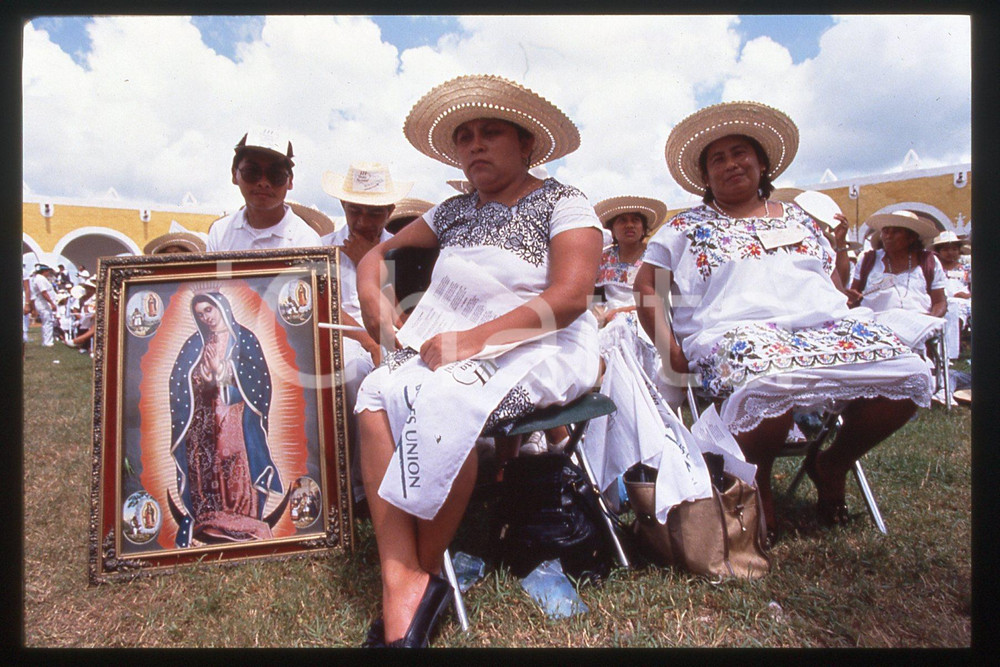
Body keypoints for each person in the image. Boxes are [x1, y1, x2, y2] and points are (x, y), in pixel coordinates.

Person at [354, 74, 602, 647]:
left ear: (528, 145)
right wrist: (374, 298)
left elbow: (568, 300)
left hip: (543, 345)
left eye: (490, 132)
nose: (474, 145)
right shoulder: (453, 210)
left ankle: (423, 567)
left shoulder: (565, 202)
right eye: (465, 137)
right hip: (454, 342)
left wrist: (474, 341)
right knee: (376, 392)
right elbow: (376, 256)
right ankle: (404, 579)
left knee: (449, 399)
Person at [634, 101, 932, 541]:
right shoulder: (685, 226)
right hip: (733, 332)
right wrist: (670, 351)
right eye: (717, 159)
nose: (731, 164)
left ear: (761, 163)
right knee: (765, 379)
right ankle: (760, 485)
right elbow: (647, 287)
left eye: (740, 152)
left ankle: (833, 462)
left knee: (911, 373)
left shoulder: (797, 218)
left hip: (822, 326)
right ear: (704, 176)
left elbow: (828, 277)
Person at [319, 162, 414, 506]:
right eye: (354, 211)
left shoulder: (401, 251)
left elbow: (401, 311)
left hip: (391, 337)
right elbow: (324, 305)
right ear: (343, 207)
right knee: (352, 371)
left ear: (389, 211)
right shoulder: (323, 250)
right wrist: (365, 338)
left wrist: (366, 264)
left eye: (373, 213)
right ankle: (357, 485)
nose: (362, 222)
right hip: (341, 336)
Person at [168, 292, 282, 547]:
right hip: (204, 419)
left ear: (222, 306)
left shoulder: (245, 339)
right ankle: (211, 519)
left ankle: (243, 519)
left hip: (235, 415)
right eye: (200, 314)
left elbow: (258, 382)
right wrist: (203, 380)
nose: (206, 317)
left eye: (209, 310)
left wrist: (224, 377)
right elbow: (179, 383)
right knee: (208, 466)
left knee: (234, 460)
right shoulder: (194, 344)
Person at [205, 128, 321, 251]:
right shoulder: (220, 233)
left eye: (276, 175)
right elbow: (221, 270)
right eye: (252, 172)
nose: (263, 183)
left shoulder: (307, 242)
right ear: (234, 175)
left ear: (290, 181)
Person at [929, 230, 971, 360]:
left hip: (963, 302)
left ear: (959, 250)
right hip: (942, 301)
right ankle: (943, 352)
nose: (950, 253)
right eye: (946, 250)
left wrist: (967, 294)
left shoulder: (965, 268)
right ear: (939, 251)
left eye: (954, 249)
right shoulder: (935, 268)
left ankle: (953, 351)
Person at [30, 264, 58, 347]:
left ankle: (47, 340)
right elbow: (44, 292)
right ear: (44, 271)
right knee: (47, 321)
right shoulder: (40, 279)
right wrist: (51, 303)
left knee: (47, 321)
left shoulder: (40, 278)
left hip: (43, 303)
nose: (49, 272)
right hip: (43, 303)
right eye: (48, 271)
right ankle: (47, 342)